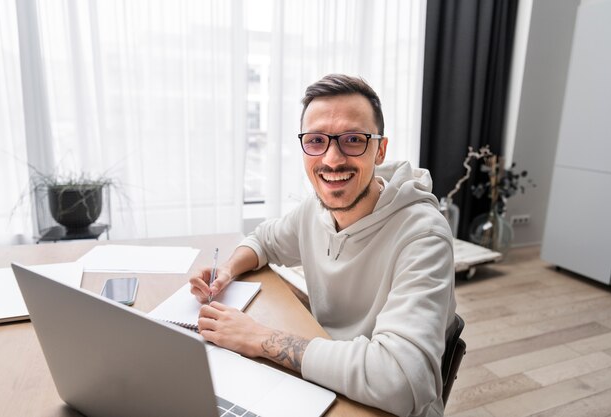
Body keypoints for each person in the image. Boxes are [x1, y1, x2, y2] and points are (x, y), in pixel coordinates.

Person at [190, 74, 456, 417]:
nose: (331, 160)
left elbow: (401, 381)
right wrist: (227, 270)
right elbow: (264, 240)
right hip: (319, 380)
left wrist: (261, 339)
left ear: (380, 149)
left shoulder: (424, 236)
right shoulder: (315, 209)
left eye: (353, 140)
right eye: (316, 141)